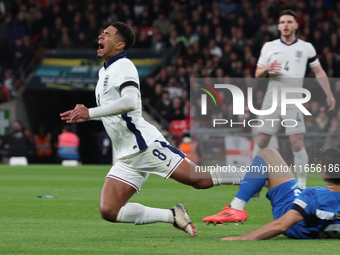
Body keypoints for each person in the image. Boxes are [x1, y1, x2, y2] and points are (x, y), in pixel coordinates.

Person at [60, 21, 244, 237]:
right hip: (126, 155)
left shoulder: (124, 66)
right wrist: (89, 116)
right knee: (109, 210)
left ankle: (256, 174)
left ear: (120, 45)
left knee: (200, 180)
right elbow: (117, 113)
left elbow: (130, 101)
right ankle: (172, 215)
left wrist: (90, 113)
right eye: (101, 32)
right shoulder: (104, 72)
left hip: (145, 146)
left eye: (107, 34)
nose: (101, 36)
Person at [252, 10, 336, 190]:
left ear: (296, 25)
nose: (286, 25)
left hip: (293, 101)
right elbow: (257, 74)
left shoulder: (306, 48)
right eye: (282, 22)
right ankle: (252, 183)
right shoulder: (269, 46)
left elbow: (319, 72)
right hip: (272, 100)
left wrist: (329, 94)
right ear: (279, 26)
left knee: (297, 143)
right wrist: (267, 67)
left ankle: (302, 186)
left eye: (289, 22)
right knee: (261, 142)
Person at [207, 148, 340, 240]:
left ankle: (237, 206)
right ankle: (255, 179)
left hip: (292, 219)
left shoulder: (312, 195)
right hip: (314, 226)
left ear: (324, 174)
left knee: (268, 154)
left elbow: (281, 225)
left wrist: (242, 238)